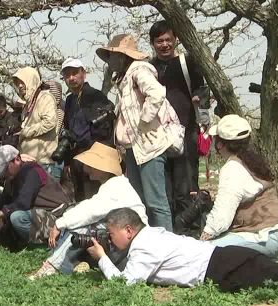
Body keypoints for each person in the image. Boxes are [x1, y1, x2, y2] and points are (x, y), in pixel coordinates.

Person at [78, 208, 278, 297]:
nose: (110, 240)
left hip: (225, 267)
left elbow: (125, 286)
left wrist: (102, 258)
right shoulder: (148, 236)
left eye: (111, 234)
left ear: (127, 230)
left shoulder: (145, 247)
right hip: (226, 259)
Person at [29, 142, 148, 279]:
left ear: (103, 168)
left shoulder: (116, 187)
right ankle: (74, 263)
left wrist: (59, 224)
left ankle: (53, 266)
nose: (86, 169)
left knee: (84, 226)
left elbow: (90, 211)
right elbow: (89, 206)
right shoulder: (114, 184)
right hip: (122, 241)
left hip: (130, 246)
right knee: (78, 221)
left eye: (91, 166)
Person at [97, 34, 173, 231]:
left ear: (123, 56)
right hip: (134, 147)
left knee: (156, 203)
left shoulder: (139, 71)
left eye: (112, 56)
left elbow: (156, 93)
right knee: (139, 202)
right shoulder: (124, 79)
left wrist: (144, 122)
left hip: (148, 146)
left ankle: (168, 246)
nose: (110, 61)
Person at [198, 115, 278, 259]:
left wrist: (204, 238)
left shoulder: (232, 168)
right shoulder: (250, 161)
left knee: (206, 253)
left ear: (220, 144)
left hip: (266, 236)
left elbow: (222, 215)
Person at [149, 21, 207, 232]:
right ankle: (171, 232)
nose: (164, 45)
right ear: (153, 43)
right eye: (159, 41)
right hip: (158, 137)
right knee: (164, 190)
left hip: (185, 133)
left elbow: (202, 87)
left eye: (168, 40)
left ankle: (192, 232)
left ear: (175, 40)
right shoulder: (149, 67)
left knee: (186, 188)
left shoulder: (187, 63)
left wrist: (199, 97)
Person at [0, 145, 69, 248]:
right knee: (5, 233)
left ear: (17, 160)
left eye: (5, 169)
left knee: (17, 217)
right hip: (40, 215)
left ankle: (45, 246)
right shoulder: (12, 178)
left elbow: (22, 203)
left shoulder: (31, 170)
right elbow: (3, 200)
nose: (4, 173)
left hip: (57, 214)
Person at [60, 58, 115, 201]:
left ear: (83, 73)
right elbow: (67, 130)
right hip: (76, 156)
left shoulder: (95, 96)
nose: (71, 78)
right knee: (80, 198)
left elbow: (105, 130)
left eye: (74, 73)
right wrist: (67, 161)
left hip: (94, 156)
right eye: (67, 75)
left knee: (95, 198)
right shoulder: (70, 100)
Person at [12, 67, 60, 179]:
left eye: (22, 82)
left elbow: (50, 122)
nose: (19, 86)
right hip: (29, 162)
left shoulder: (44, 98)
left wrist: (26, 132)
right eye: (17, 83)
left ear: (31, 80)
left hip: (44, 162)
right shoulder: (27, 104)